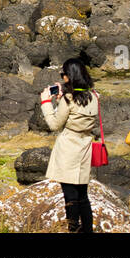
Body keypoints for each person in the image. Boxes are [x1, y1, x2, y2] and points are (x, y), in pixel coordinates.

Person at [41, 57, 100, 233]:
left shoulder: (69, 99)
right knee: (83, 195)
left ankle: (73, 229)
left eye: (63, 74)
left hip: (68, 149)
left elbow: (54, 125)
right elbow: (79, 115)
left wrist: (46, 103)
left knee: (70, 197)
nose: (62, 77)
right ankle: (87, 230)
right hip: (85, 147)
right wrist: (61, 99)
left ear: (69, 76)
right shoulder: (94, 97)